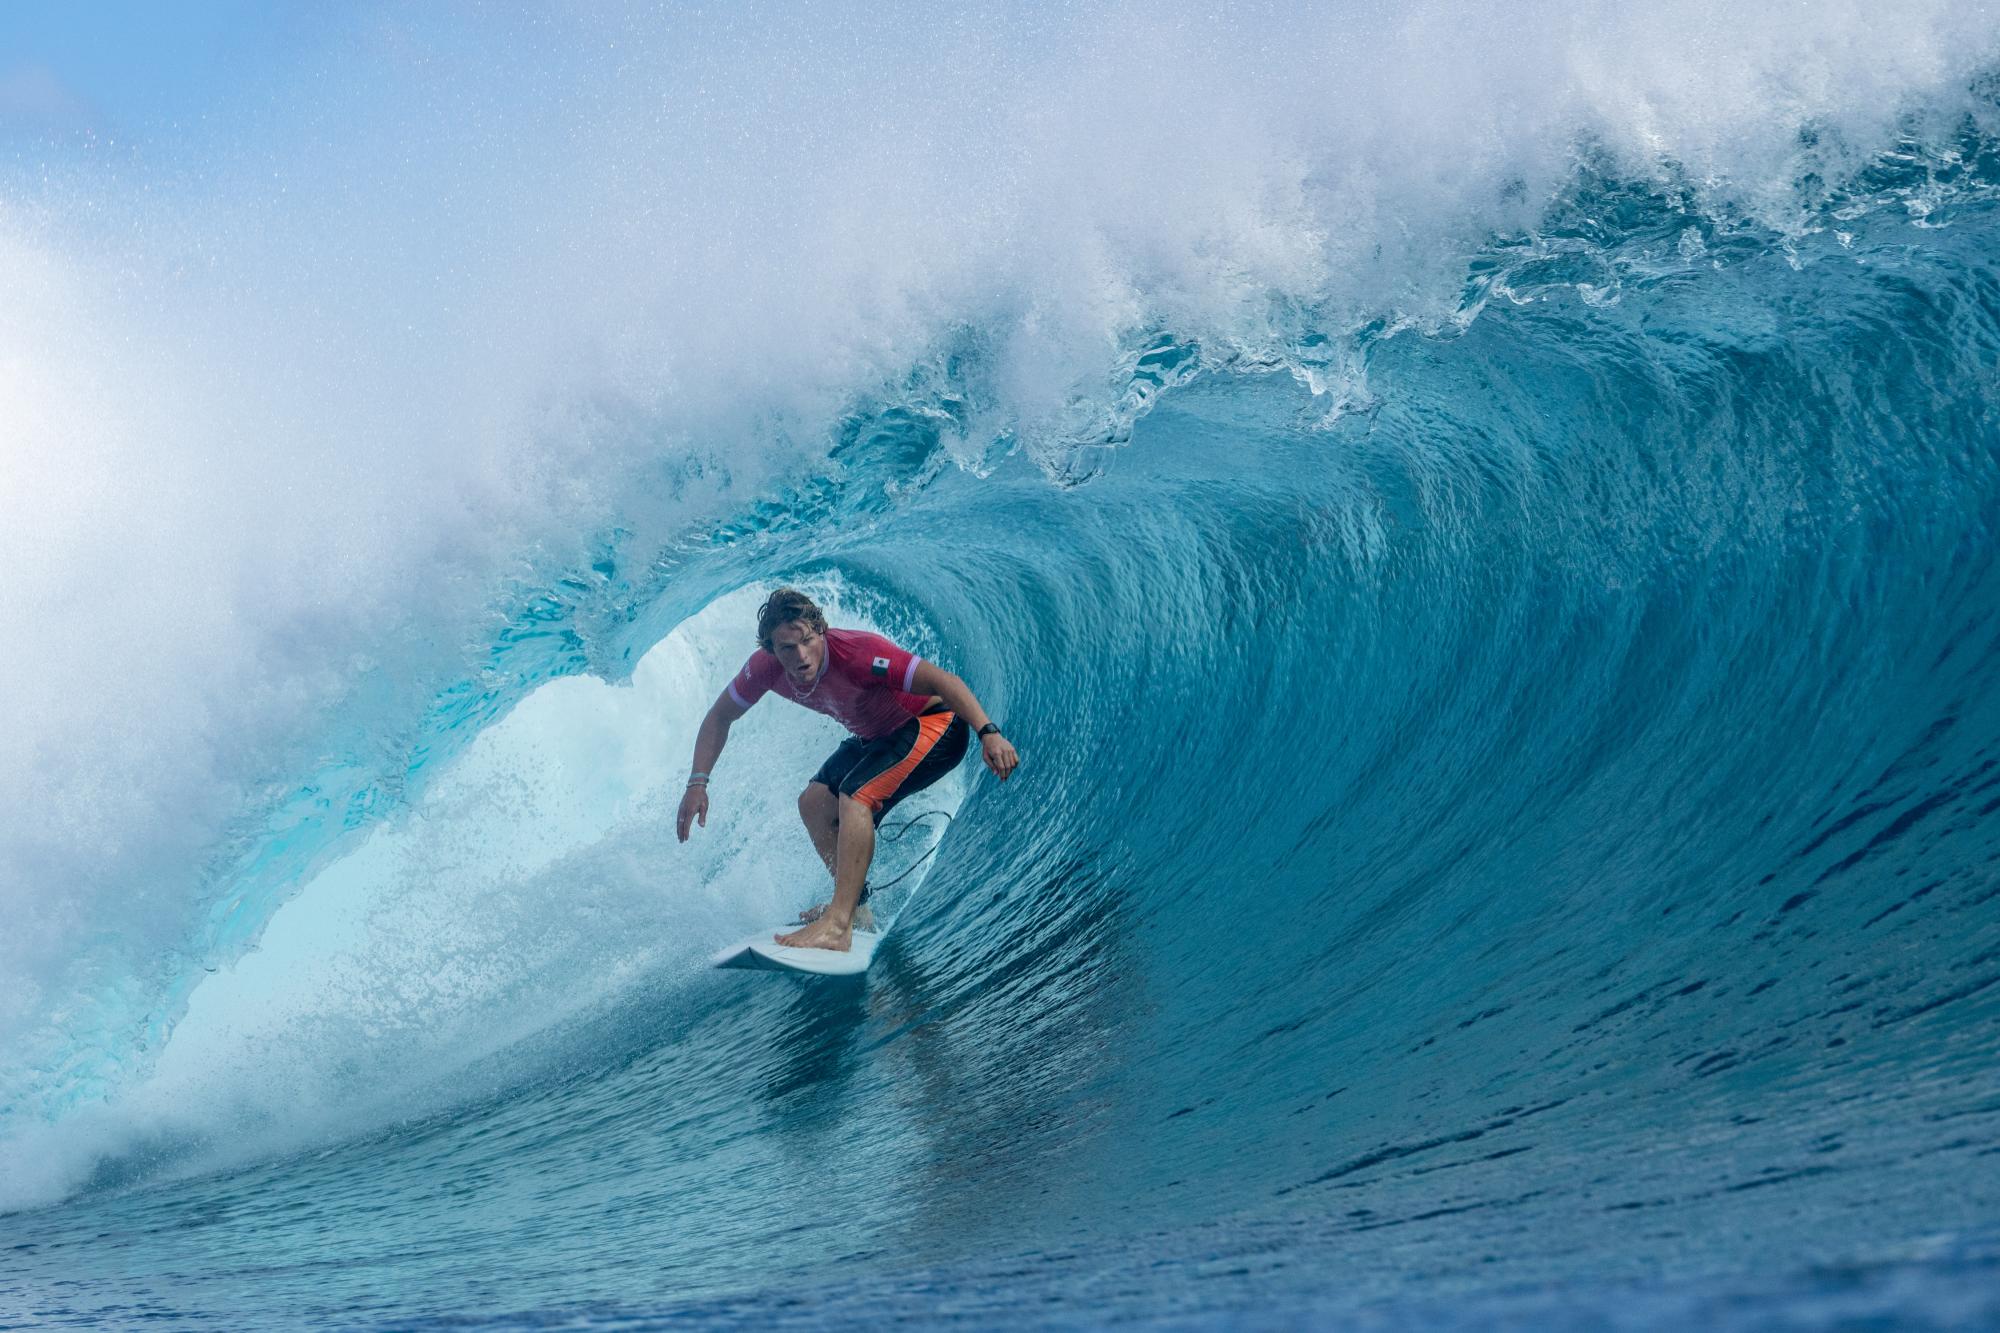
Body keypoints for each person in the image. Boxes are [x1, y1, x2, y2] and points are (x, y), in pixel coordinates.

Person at [676, 588, 1019, 951]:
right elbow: (720, 716)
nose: (800, 656)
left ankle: (838, 927)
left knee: (855, 797)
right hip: (877, 737)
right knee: (813, 803)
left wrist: (988, 732)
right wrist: (698, 783)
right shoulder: (765, 669)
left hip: (934, 725)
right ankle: (856, 909)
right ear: (771, 650)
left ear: (820, 631)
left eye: (807, 641)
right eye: (787, 648)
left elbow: (944, 683)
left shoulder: (858, 653)